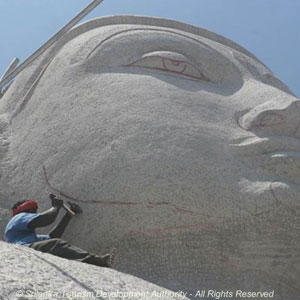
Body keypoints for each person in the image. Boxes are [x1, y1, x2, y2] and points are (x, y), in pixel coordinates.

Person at [5, 194, 116, 268]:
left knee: (55, 243)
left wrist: (68, 215)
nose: (34, 214)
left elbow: (52, 236)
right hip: (25, 251)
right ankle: (97, 261)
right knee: (55, 244)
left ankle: (95, 261)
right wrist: (56, 207)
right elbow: (46, 220)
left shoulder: (27, 236)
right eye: (32, 211)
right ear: (25, 211)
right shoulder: (18, 218)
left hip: (27, 249)